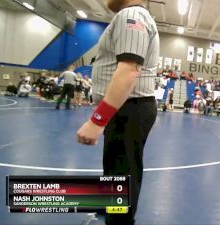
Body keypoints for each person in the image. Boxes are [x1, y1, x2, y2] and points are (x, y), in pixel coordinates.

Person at [76, 1, 159, 224]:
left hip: (130, 107)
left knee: (122, 171)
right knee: (114, 165)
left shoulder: (132, 15)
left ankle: (118, 220)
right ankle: (110, 205)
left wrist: (97, 120)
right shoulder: (131, 16)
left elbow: (129, 71)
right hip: (126, 108)